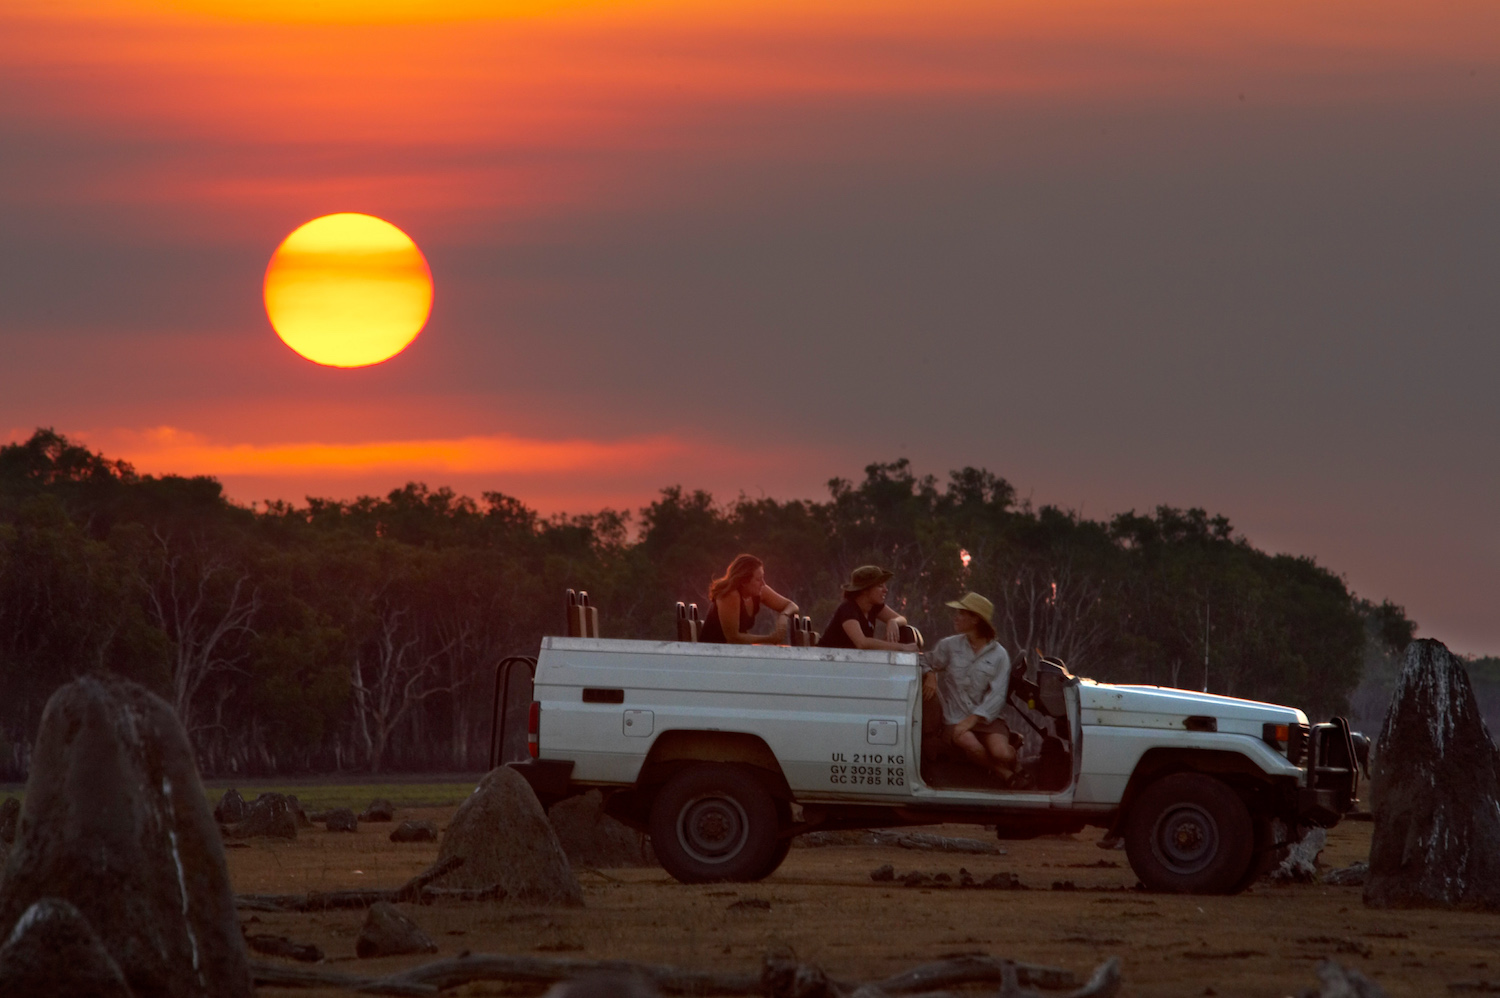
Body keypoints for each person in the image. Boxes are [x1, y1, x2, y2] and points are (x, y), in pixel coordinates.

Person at [922, 591, 1020, 784]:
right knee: (971, 745)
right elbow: (924, 659)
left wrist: (973, 720)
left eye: (961, 613)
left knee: (1002, 753)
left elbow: (998, 695)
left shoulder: (999, 655)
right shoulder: (949, 645)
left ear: (975, 619)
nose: (955, 617)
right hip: (955, 717)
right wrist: (931, 674)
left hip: (986, 718)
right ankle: (1003, 773)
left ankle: (1014, 761)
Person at [698, 554, 799, 645]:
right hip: (713, 653)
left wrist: (784, 616)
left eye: (763, 578)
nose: (763, 583)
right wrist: (769, 639)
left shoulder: (759, 590)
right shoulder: (730, 595)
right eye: (758, 579)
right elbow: (733, 638)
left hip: (737, 653)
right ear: (744, 581)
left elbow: (792, 606)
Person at [818, 565, 919, 652]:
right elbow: (862, 643)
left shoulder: (874, 606)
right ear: (865, 590)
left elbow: (902, 620)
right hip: (827, 664)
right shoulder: (848, 608)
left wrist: (893, 621)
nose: (885, 590)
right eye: (880, 586)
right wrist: (902, 647)